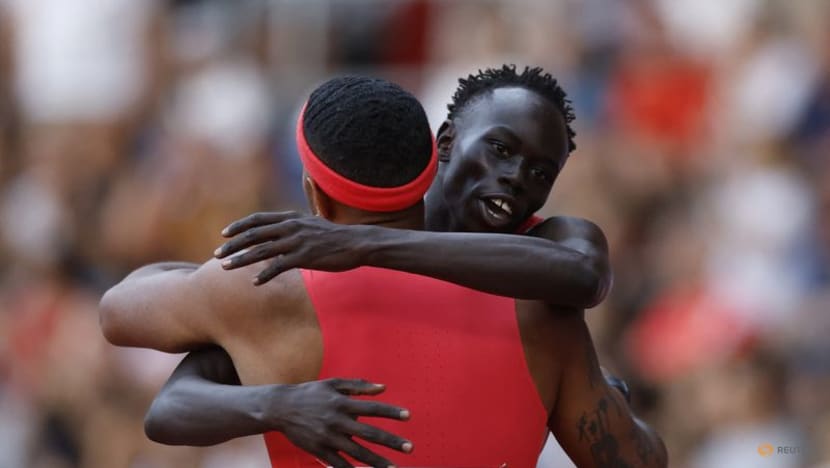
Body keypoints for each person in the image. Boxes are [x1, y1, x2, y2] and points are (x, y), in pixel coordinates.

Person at [139, 66, 668, 467]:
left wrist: (367, 245)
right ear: (445, 143)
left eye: (540, 171)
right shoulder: (308, 286)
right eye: (501, 150)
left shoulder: (547, 267)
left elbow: (585, 276)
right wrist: (277, 405)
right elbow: (164, 404)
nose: (516, 178)